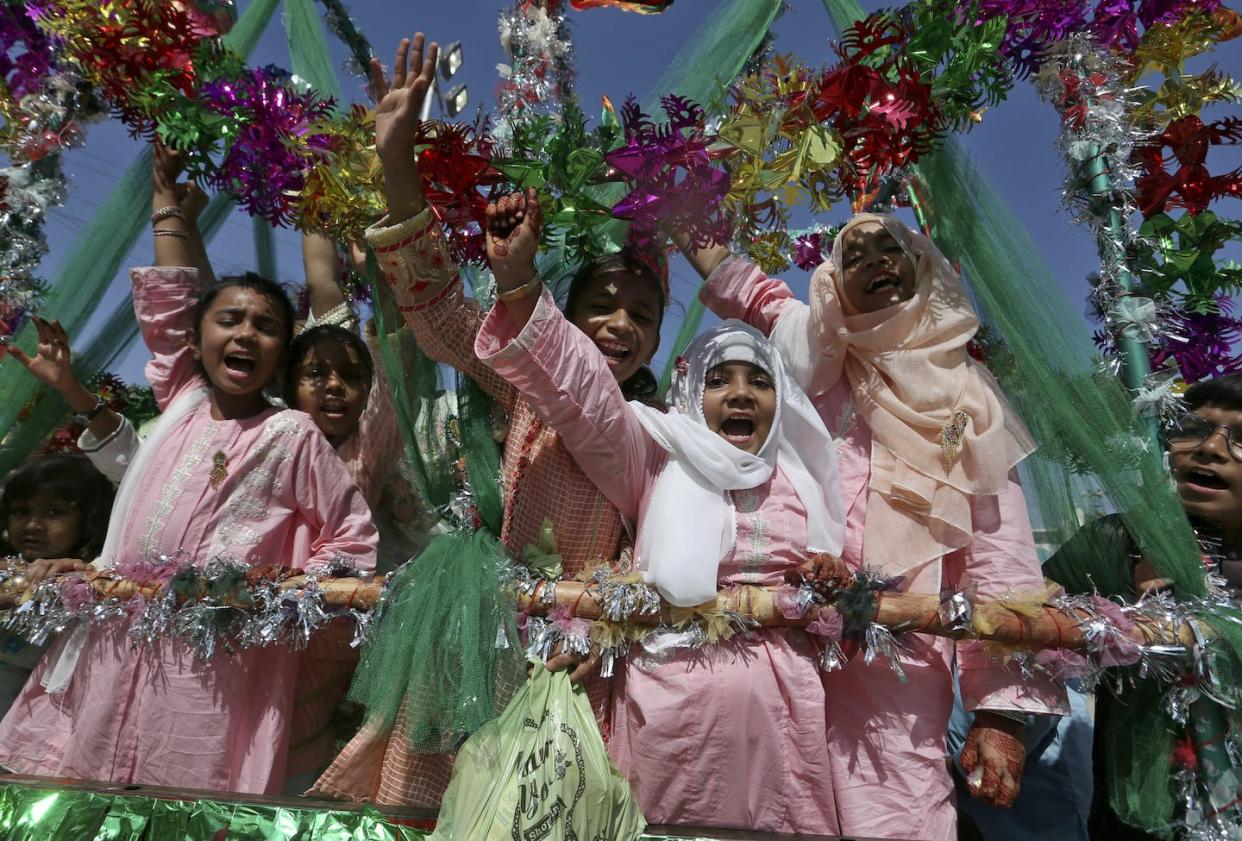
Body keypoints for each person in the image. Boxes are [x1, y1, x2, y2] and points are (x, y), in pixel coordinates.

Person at [310, 33, 669, 808]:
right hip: (467, 638)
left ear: (658, 342)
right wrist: (398, 165)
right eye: (600, 306)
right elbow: (439, 313)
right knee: (420, 811)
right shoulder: (527, 386)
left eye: (642, 315)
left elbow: (657, 555)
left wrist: (604, 628)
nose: (619, 324)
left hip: (572, 663)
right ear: (558, 323)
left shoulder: (662, 433)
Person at [470, 182, 848, 832]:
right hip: (669, 721)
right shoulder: (655, 453)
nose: (740, 394)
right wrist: (520, 281)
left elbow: (844, 583)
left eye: (759, 379)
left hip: (782, 727)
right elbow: (584, 393)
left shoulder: (805, 478)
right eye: (718, 379)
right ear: (687, 392)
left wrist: (829, 577)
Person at [678, 212, 1067, 840]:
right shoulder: (810, 366)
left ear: (923, 272)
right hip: (779, 642)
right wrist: (676, 206)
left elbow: (1001, 555)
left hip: (899, 662)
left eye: (893, 249)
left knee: (896, 819)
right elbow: (747, 286)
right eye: (855, 257)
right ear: (833, 285)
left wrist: (1004, 715)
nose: (877, 261)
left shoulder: (968, 396)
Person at [0, 155, 378, 793]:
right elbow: (170, 299)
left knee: (178, 803)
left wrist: (270, 592)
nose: (247, 335)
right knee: (76, 797)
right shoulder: (183, 401)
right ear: (198, 337)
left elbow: (352, 540)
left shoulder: (291, 434)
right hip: (113, 643)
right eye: (229, 320)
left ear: (281, 354)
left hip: (208, 669)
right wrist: (164, 207)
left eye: (266, 328)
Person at [1043, 371, 1242, 839]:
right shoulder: (1116, 541)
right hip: (1135, 816)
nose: (1211, 448)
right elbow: (1025, 618)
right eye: (1192, 429)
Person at [0, 454, 115, 713]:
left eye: (55, 512)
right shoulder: (6, 568)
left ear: (88, 520)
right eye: (21, 511)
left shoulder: (94, 582)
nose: (33, 525)